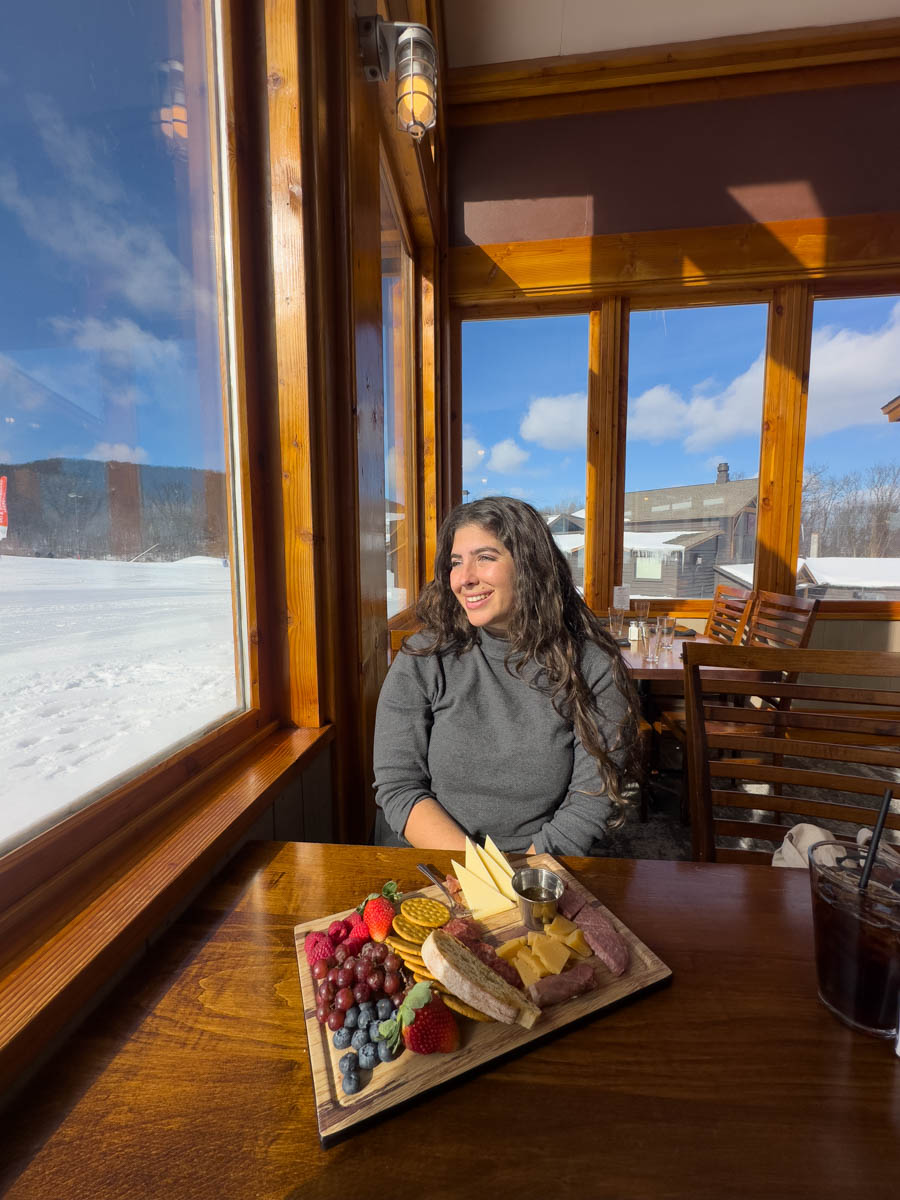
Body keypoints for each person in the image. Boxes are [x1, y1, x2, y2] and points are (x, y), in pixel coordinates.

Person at [372, 496, 642, 855]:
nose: (464, 579)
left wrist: (523, 882)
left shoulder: (591, 666)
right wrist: (484, 879)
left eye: (485, 557)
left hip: (543, 864)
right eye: (456, 562)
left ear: (531, 566)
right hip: (434, 860)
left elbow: (591, 798)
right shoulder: (424, 658)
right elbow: (399, 785)